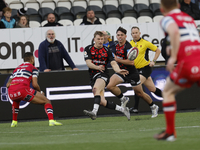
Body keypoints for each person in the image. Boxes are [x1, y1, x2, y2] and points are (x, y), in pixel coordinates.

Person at [154, 0, 200, 141]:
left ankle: (170, 132)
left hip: (187, 61)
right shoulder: (189, 18)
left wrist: (173, 57)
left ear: (162, 9)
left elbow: (174, 30)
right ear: (179, 5)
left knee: (167, 91)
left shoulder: (167, 19)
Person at [106, 27, 159, 118]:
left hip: (132, 73)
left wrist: (118, 59)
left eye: (122, 35)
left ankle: (153, 106)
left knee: (140, 93)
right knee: (110, 86)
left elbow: (131, 62)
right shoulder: (115, 46)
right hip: (122, 71)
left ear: (125, 36)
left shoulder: (128, 46)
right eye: (118, 35)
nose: (120, 37)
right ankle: (123, 99)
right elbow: (110, 52)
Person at [83, 31, 130, 120]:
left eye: (102, 39)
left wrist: (118, 70)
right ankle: (123, 110)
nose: (100, 41)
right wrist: (97, 67)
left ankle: (94, 112)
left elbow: (113, 63)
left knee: (96, 89)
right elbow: (88, 63)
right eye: (98, 39)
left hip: (103, 74)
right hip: (93, 75)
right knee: (102, 101)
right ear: (94, 39)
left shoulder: (107, 50)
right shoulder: (88, 49)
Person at [6, 52, 62, 127]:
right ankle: (51, 121)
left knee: (16, 100)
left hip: (11, 92)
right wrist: (40, 92)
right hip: (23, 90)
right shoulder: (33, 68)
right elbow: (35, 85)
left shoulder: (16, 69)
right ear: (32, 59)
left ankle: (14, 122)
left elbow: (7, 84)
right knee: (46, 101)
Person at [129, 26, 162, 113]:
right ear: (131, 34)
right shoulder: (130, 44)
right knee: (152, 89)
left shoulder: (145, 43)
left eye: (136, 33)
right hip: (135, 70)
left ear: (140, 33)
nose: (135, 34)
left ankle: (135, 107)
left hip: (145, 68)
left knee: (136, 85)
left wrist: (153, 61)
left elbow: (158, 50)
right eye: (133, 33)